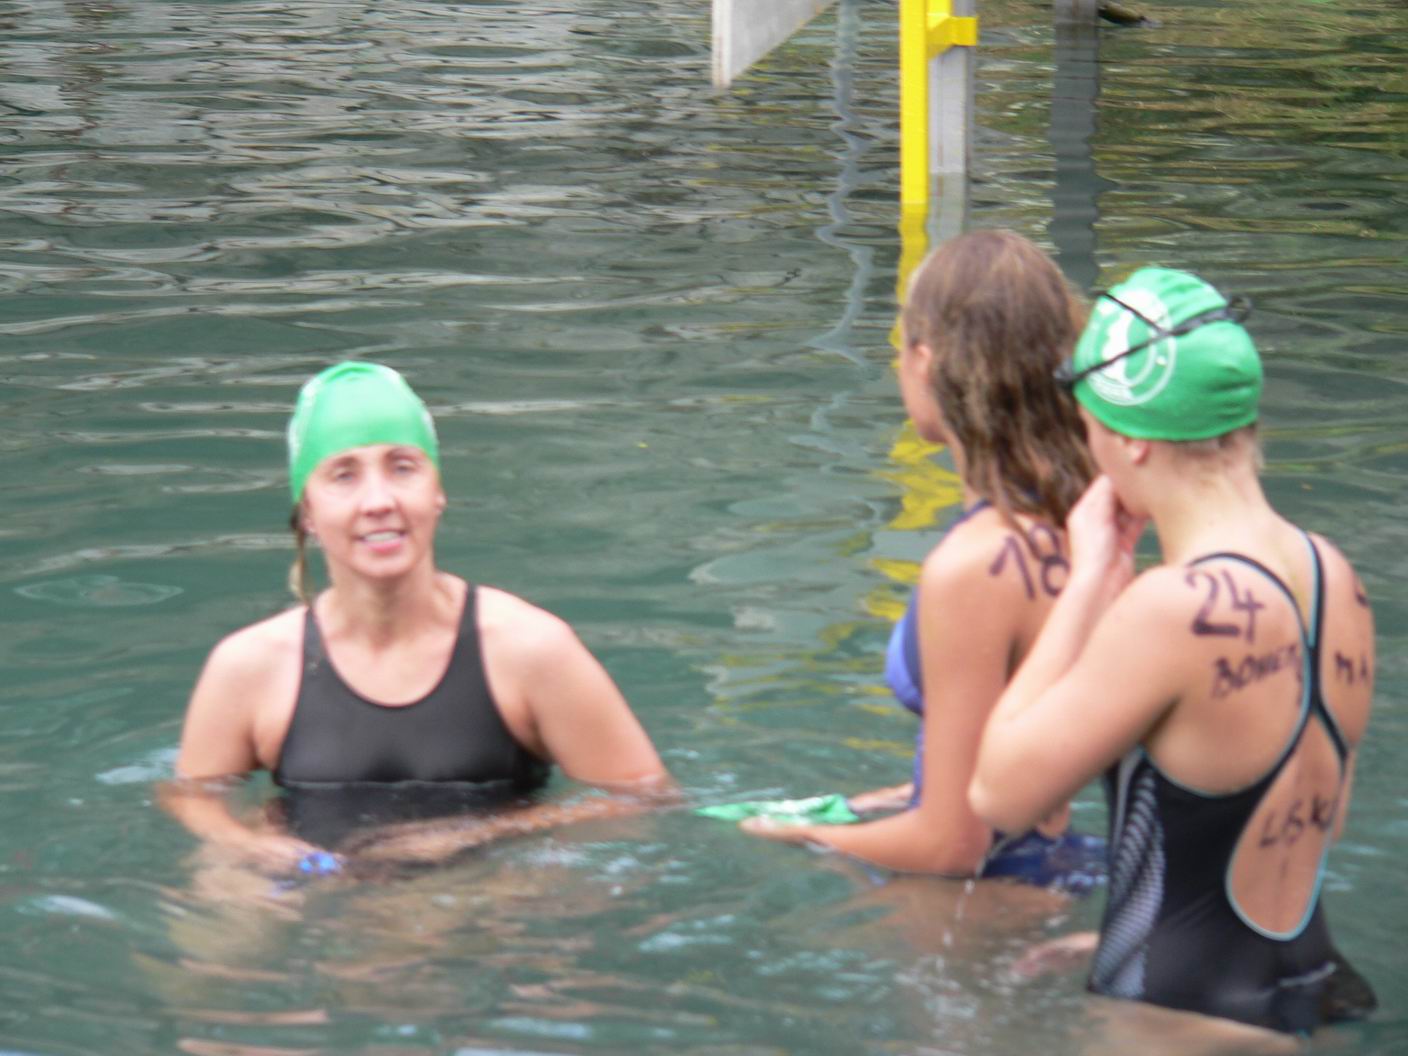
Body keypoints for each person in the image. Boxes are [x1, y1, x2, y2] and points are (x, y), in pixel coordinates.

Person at [970, 267, 1377, 1034]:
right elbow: (1315, 818)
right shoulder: (1334, 576)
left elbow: (999, 794)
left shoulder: (1173, 607)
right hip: (1298, 984)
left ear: (1128, 438)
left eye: (1089, 422)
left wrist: (1089, 580)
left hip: (1174, 1014)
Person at [163, 361, 671, 873]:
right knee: (227, 885)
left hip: (492, 887)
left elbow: (644, 797)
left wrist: (478, 832)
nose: (378, 501)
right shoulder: (249, 667)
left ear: (437, 491)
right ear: (308, 513)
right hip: (316, 887)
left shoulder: (529, 649)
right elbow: (192, 798)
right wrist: (247, 842)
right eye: (344, 475)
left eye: (403, 467)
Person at [742, 229, 1104, 889]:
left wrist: (797, 834)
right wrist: (883, 802)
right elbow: (1014, 768)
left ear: (927, 361)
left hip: (974, 908)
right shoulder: (1086, 527)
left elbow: (953, 845)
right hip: (1050, 873)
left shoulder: (973, 566)